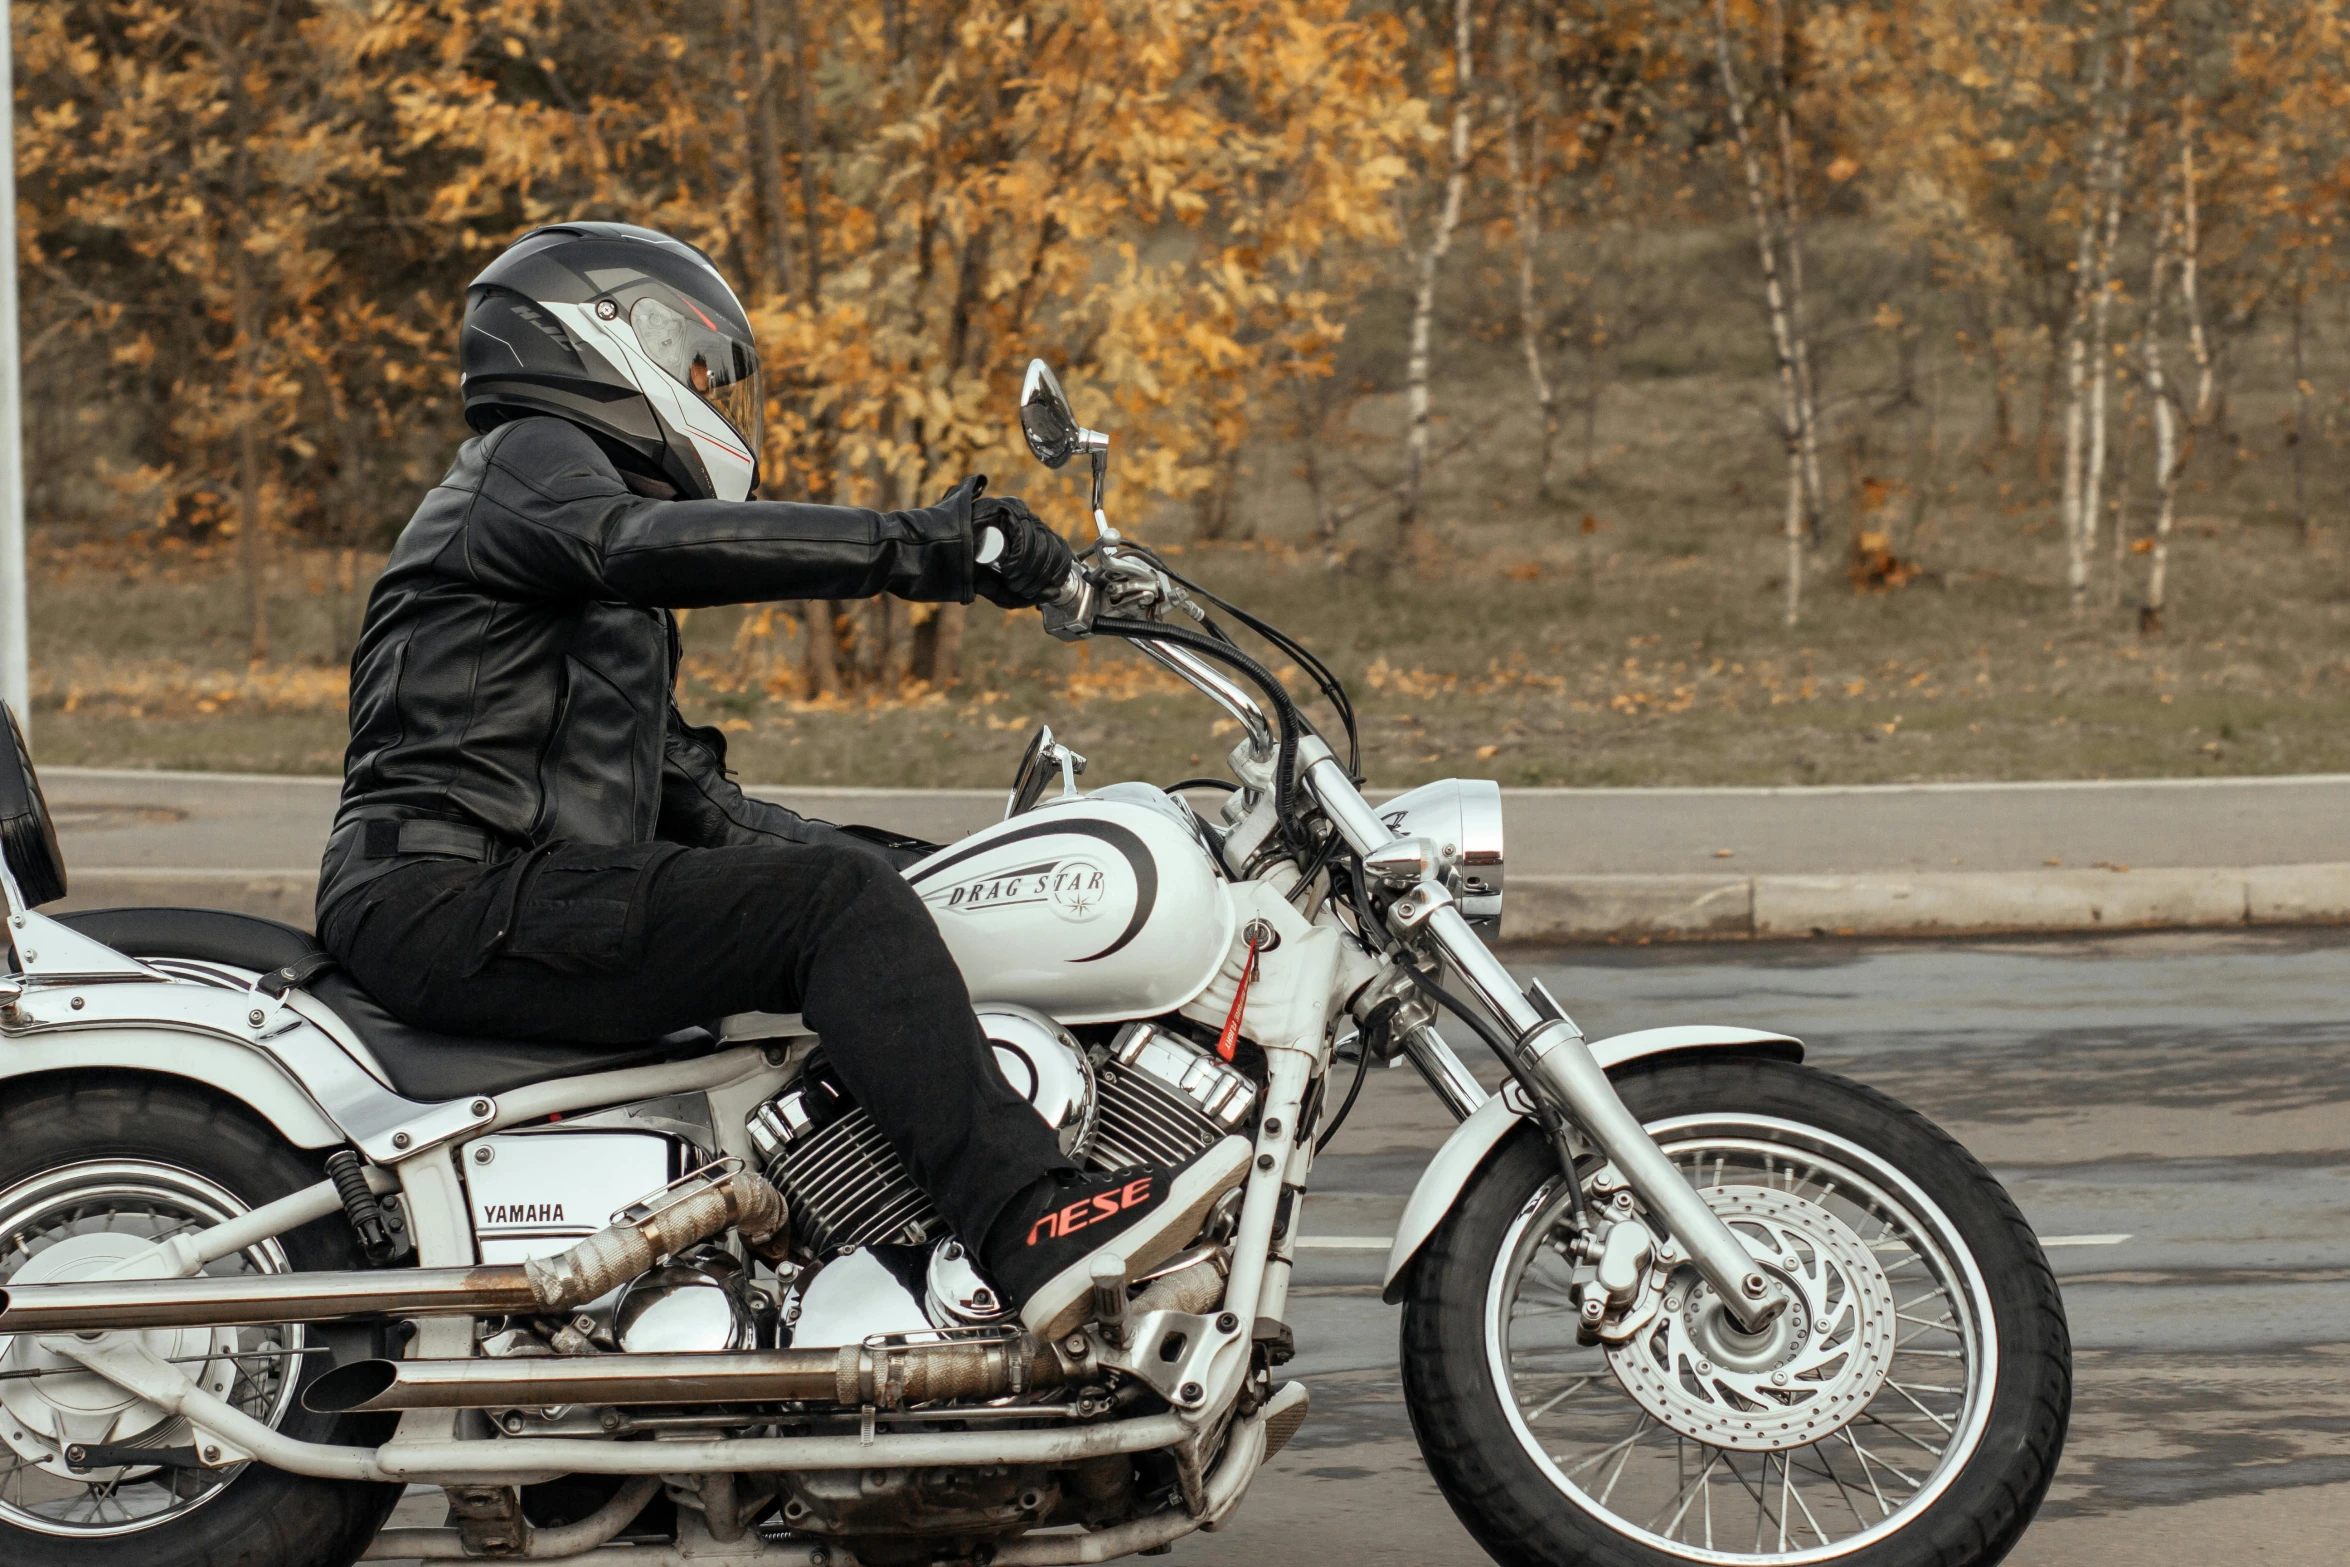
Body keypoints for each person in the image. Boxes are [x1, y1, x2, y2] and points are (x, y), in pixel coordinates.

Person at [315, 222, 1247, 1338]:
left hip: (510, 889)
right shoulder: (532, 467)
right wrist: (927, 546)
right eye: (696, 363)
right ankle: (1026, 1225)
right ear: (594, 341)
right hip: (448, 894)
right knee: (827, 910)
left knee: (844, 901)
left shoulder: (573, 573)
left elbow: (705, 812)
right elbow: (638, 539)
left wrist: (938, 874)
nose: (713, 393)